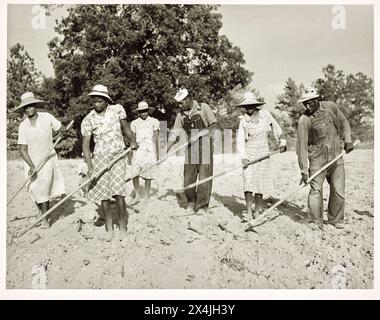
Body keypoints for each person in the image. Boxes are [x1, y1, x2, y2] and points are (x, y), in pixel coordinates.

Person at [81, 84, 138, 241]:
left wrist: (133, 141)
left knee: (119, 192)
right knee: (104, 195)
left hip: (118, 155)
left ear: (106, 100)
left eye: (100, 101)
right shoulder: (88, 120)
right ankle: (109, 229)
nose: (97, 104)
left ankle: (123, 228)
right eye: (94, 101)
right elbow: (86, 146)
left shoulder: (117, 110)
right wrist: (90, 166)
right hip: (100, 158)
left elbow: (126, 128)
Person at [296, 87, 353, 231]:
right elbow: (301, 147)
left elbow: (344, 122)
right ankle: (315, 221)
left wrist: (348, 140)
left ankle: (336, 219)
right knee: (315, 190)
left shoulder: (331, 107)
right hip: (316, 157)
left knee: (338, 189)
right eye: (305, 103)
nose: (307, 106)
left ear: (317, 100)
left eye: (310, 102)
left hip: (336, 154)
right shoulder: (304, 120)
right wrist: (303, 169)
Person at [16, 92, 67, 228]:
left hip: (47, 158)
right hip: (31, 161)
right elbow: (22, 149)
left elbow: (61, 128)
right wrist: (31, 166)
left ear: (35, 105)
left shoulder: (47, 117)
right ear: (23, 110)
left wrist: (63, 131)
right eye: (26, 107)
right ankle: (41, 212)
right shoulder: (23, 125)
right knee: (32, 188)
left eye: (31, 106)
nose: (29, 109)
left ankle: (45, 219)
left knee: (43, 188)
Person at [166, 88, 219, 214]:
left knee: (204, 177)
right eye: (178, 104)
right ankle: (191, 202)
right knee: (188, 177)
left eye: (182, 103)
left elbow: (213, 125)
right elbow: (175, 133)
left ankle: (202, 206)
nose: (180, 106)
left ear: (189, 99)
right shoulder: (180, 115)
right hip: (191, 147)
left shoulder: (203, 107)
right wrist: (165, 150)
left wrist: (199, 134)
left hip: (205, 144)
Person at [236, 92, 287, 219]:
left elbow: (277, 129)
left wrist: (282, 142)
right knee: (248, 181)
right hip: (249, 153)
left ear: (256, 105)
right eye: (246, 106)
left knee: (259, 183)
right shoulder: (243, 121)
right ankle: (248, 212)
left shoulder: (265, 115)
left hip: (263, 152)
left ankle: (257, 211)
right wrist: (244, 157)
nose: (248, 108)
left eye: (251, 105)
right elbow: (240, 140)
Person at [130, 101, 160, 202]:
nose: (143, 113)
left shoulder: (154, 121)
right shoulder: (134, 123)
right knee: (135, 172)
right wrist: (131, 154)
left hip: (149, 149)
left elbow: (156, 137)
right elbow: (132, 139)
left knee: (148, 172)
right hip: (138, 149)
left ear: (148, 111)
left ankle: (147, 195)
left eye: (145, 111)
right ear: (138, 112)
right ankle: (137, 194)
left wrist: (158, 152)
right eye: (141, 111)